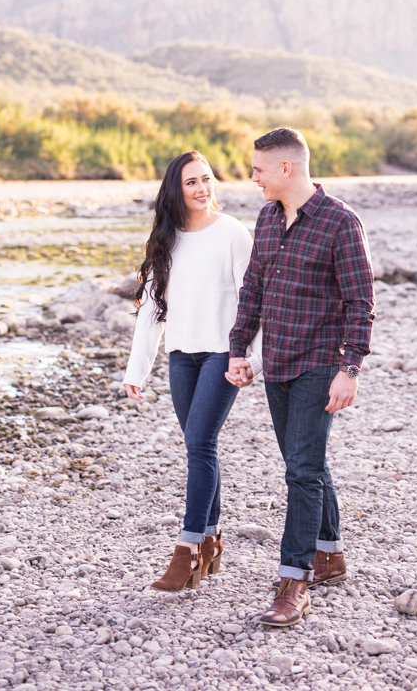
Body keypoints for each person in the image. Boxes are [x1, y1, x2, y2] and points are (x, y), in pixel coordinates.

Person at [226, 128, 374, 627]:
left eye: (259, 170)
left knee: (302, 470)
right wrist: (238, 347)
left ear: (285, 168)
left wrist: (349, 368)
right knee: (302, 461)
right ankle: (330, 554)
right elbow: (254, 290)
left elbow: (360, 303)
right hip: (278, 363)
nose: (254, 180)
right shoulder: (267, 219)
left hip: (318, 364)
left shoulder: (340, 222)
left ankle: (295, 580)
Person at [123, 150, 261, 592]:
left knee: (200, 443)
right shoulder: (165, 241)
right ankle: (211, 541)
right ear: (175, 190)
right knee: (200, 447)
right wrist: (137, 369)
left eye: (207, 179)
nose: (203, 188)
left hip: (224, 352)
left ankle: (185, 553)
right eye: (192, 182)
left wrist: (249, 358)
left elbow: (254, 301)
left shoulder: (233, 234)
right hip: (182, 356)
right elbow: (151, 312)